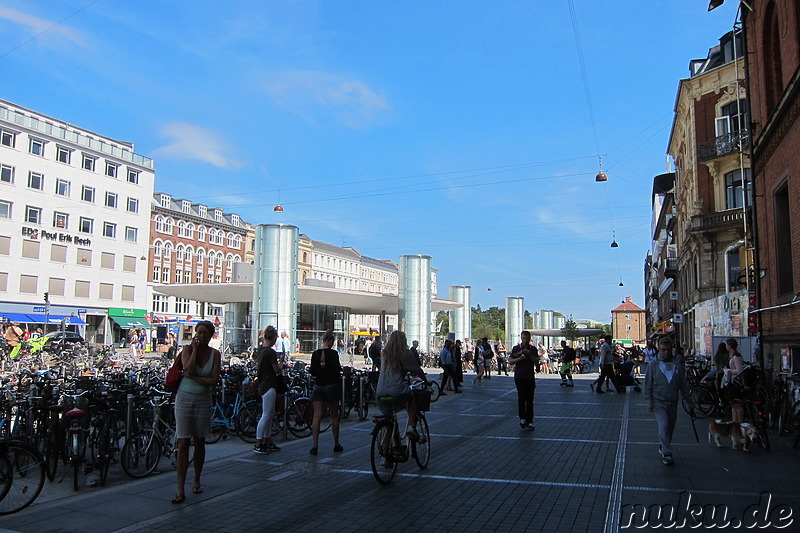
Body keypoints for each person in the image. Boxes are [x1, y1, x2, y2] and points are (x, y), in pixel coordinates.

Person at [172, 320, 221, 503]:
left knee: (200, 441)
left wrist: (193, 377)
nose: (201, 336)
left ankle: (197, 480)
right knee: (183, 442)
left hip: (203, 400)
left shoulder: (215, 354)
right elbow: (187, 368)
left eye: (205, 333)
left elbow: (213, 380)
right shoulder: (187, 350)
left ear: (211, 335)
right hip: (184, 398)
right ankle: (180, 488)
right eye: (199, 333)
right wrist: (193, 350)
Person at [644, 338, 694, 466]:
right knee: (664, 425)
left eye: (668, 349)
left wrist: (688, 400)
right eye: (663, 350)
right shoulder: (653, 364)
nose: (666, 352)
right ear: (659, 349)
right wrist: (649, 400)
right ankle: (667, 452)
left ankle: (664, 445)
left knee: (670, 427)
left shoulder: (676, 364)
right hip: (659, 401)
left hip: (673, 401)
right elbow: (648, 384)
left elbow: (683, 384)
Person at [376, 330, 420, 440]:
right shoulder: (405, 353)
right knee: (411, 398)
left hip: (380, 391)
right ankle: (410, 426)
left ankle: (385, 449)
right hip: (396, 390)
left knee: (388, 420)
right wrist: (427, 382)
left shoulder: (384, 353)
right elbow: (418, 370)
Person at [309, 330, 343, 456]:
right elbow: (337, 369)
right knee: (334, 415)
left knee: (317, 416)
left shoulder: (315, 354)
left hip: (318, 386)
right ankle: (336, 444)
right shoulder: (333, 354)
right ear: (330, 341)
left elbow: (312, 372)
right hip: (331, 386)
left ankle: (315, 446)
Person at [254, 326, 283, 454]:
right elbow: (277, 369)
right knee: (267, 415)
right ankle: (259, 443)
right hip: (270, 384)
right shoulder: (270, 352)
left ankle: (267, 440)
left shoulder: (260, 350)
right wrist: (281, 363)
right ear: (272, 338)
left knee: (268, 414)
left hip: (262, 384)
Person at [509, 331, 539, 431]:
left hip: (530, 377)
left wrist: (530, 355)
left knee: (530, 400)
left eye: (527, 338)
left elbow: (537, 361)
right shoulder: (516, 348)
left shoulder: (533, 349)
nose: (525, 340)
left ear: (530, 339)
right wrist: (521, 357)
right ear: (521, 338)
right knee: (521, 397)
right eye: (523, 338)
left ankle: (530, 421)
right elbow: (510, 361)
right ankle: (522, 418)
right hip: (519, 376)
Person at [725, 338, 745, 424]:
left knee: (737, 404)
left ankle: (739, 422)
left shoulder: (736, 357)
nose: (726, 347)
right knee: (733, 404)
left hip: (736, 383)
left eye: (726, 345)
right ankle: (734, 422)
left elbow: (739, 370)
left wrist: (729, 371)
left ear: (730, 346)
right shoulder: (732, 356)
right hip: (732, 382)